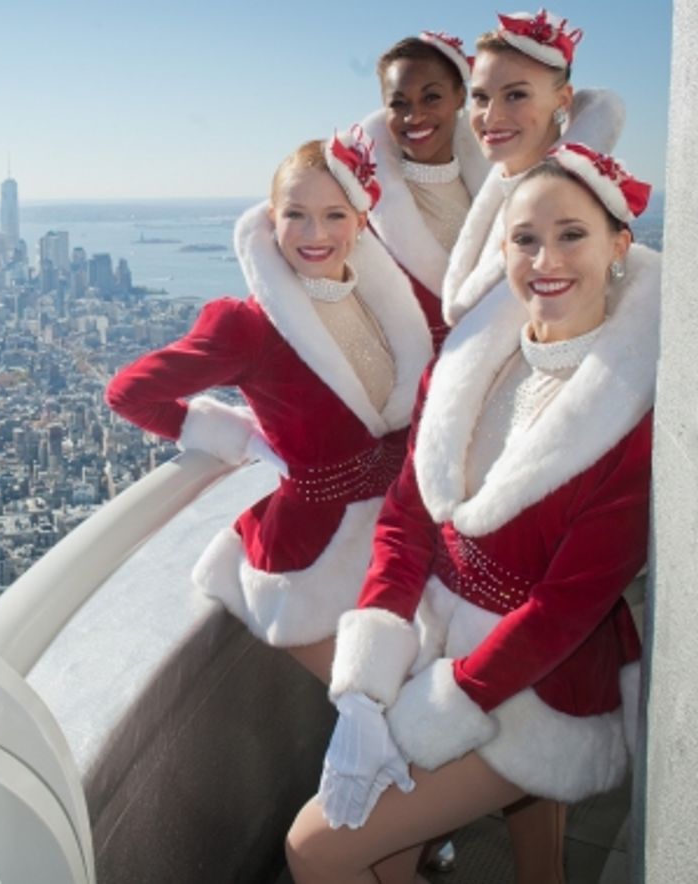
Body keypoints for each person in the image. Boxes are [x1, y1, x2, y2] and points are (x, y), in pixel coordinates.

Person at [284, 145, 656, 884]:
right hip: (434, 641)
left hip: (536, 688)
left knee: (316, 849)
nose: (544, 258)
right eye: (524, 238)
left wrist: (434, 711)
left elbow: (566, 607)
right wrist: (366, 684)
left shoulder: (633, 416)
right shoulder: (464, 363)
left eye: (572, 234)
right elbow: (405, 520)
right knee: (382, 863)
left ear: (619, 245)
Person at [105, 130, 432, 681]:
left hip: (404, 532)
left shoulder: (384, 302)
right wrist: (215, 428)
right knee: (379, 708)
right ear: (271, 220)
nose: (315, 234)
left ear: (360, 221)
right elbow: (129, 393)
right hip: (318, 554)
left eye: (334, 215)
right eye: (296, 214)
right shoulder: (249, 327)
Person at [443, 9, 623, 328]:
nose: (491, 116)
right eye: (481, 97)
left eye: (516, 95)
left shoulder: (589, 206)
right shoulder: (499, 193)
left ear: (563, 100)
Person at [361, 31, 490, 349]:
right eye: (399, 103)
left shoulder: (504, 183)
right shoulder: (360, 203)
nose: (414, 116)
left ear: (460, 95)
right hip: (407, 387)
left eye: (431, 97)